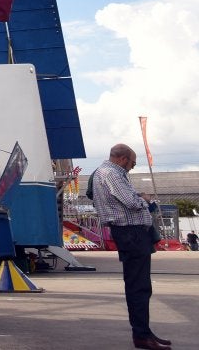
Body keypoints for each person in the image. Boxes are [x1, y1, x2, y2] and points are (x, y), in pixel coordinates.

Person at [91, 143, 171, 349]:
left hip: (130, 233)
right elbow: (131, 202)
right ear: (123, 159)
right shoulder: (112, 174)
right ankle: (142, 335)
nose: (132, 167)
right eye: (132, 163)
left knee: (139, 284)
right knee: (139, 285)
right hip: (131, 233)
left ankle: (144, 332)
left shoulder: (107, 173)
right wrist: (144, 199)